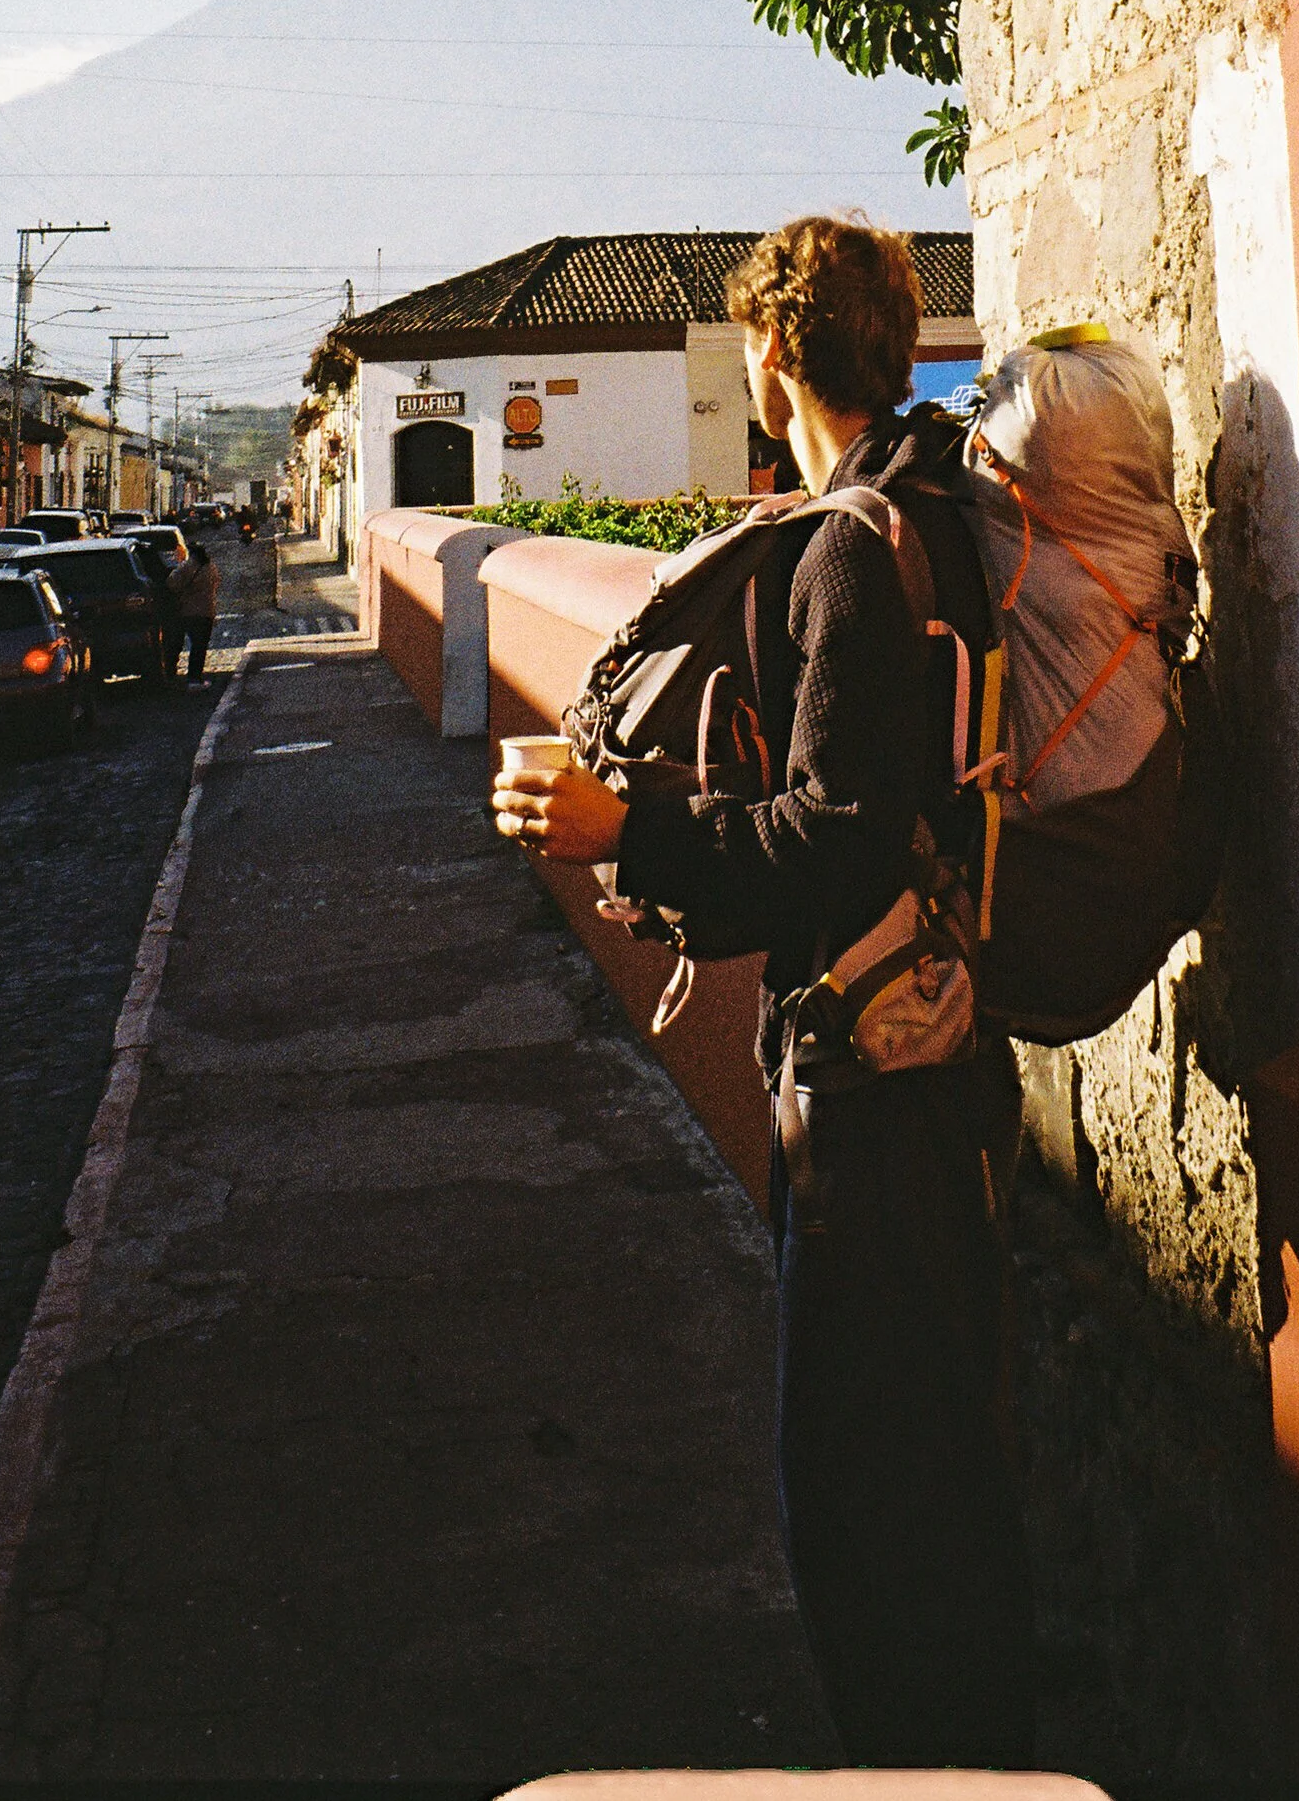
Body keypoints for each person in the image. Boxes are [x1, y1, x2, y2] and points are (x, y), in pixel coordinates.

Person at [492, 215, 1035, 1764]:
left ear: (771, 355)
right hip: (938, 1052)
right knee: (938, 1464)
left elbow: (838, 836)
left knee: (861, 1489)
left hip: (873, 1097)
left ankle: (918, 1770)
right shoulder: (927, 504)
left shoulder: (852, 550)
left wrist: (626, 827)